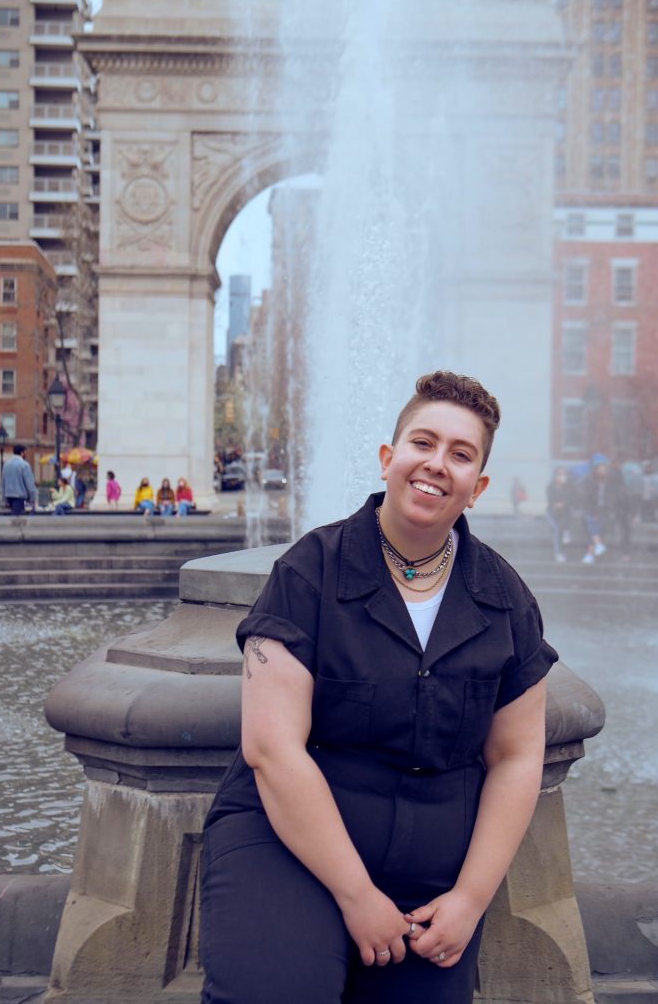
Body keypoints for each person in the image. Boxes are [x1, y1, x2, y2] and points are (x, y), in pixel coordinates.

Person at [200, 371, 557, 1004]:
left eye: (461, 453)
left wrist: (470, 901)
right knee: (277, 993)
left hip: (434, 873)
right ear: (390, 458)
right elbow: (271, 751)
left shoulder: (507, 600)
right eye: (423, 443)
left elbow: (517, 757)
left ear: (478, 488)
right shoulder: (307, 572)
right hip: (288, 847)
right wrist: (358, 895)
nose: (437, 464)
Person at [545, 467, 575, 563]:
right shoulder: (550, 487)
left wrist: (564, 504)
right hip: (553, 513)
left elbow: (570, 499)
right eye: (560, 474)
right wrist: (557, 504)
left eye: (563, 474)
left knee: (567, 514)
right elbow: (551, 501)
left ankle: (566, 531)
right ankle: (558, 552)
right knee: (558, 529)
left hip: (565, 514)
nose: (562, 477)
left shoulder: (568, 487)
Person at [1, 444, 37, 516]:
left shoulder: (6, 464)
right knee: (18, 519)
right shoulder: (24, 465)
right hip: (20, 496)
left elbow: (3, 482)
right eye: (25, 452)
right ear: (22, 453)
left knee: (13, 517)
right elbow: (29, 483)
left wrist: (4, 497)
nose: (26, 454)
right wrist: (32, 497)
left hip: (8, 495)